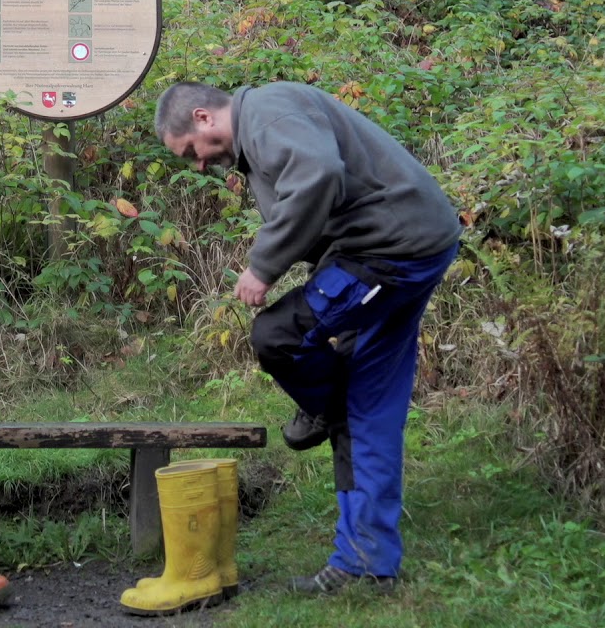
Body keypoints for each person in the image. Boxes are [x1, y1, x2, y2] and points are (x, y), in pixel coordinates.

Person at [153, 81, 462, 593]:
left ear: (204, 118)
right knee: (367, 407)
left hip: (391, 252)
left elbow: (318, 175)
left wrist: (263, 266)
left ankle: (326, 411)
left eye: (191, 152)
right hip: (405, 246)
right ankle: (365, 563)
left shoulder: (268, 113)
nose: (199, 165)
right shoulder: (262, 133)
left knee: (278, 335)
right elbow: (327, 211)